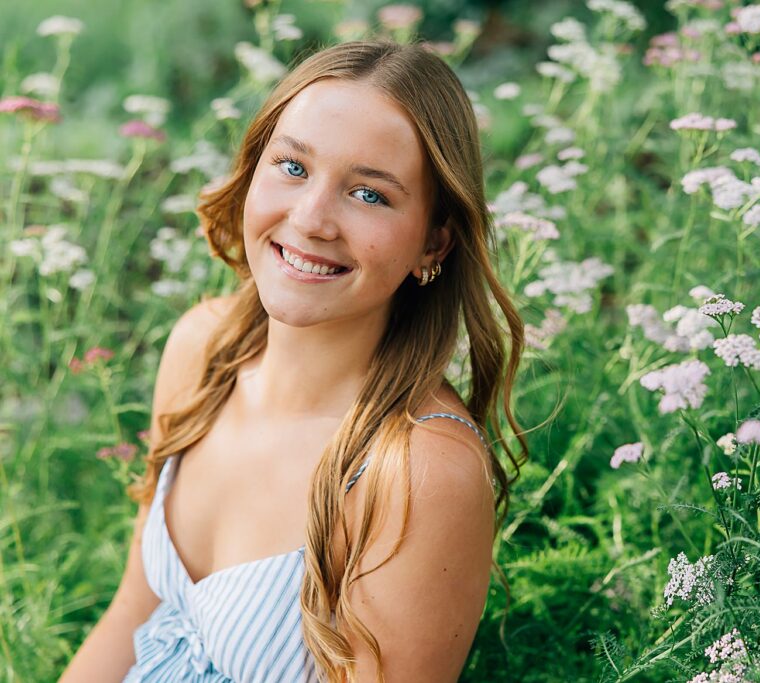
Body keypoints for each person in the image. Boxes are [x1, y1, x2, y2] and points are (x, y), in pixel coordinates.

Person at [60, 40, 527, 682]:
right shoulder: (204, 351)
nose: (311, 219)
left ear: (435, 240)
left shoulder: (415, 470)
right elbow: (132, 615)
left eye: (369, 195)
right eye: (293, 167)